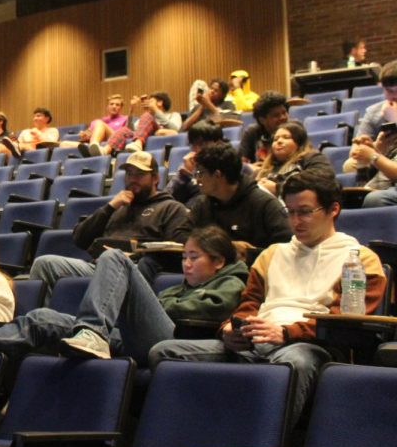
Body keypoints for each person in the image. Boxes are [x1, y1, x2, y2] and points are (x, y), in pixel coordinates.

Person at [149, 171, 386, 419]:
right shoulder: (272, 254)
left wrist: (286, 333)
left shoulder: (358, 259)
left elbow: (346, 320)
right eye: (290, 212)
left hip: (308, 344)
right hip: (256, 341)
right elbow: (249, 304)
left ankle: (262, 446)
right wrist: (231, 329)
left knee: (294, 362)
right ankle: (191, 432)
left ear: (333, 209)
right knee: (164, 352)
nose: (296, 221)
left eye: (305, 211)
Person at [0, 226, 248, 378]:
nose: (186, 264)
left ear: (217, 261)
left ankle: (93, 334)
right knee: (41, 317)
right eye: (184, 257)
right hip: (129, 336)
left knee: (114, 259)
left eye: (195, 257)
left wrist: (159, 306)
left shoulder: (231, 283)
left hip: (174, 342)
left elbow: (205, 312)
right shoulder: (179, 288)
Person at [29, 151, 191, 291]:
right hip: (97, 266)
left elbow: (177, 252)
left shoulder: (171, 208)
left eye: (140, 174)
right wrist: (110, 207)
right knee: (44, 264)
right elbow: (80, 239)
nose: (133, 179)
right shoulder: (117, 207)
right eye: (129, 174)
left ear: (155, 178)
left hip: (134, 269)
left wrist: (137, 255)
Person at [188, 143, 292, 252]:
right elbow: (183, 235)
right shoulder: (202, 204)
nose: (197, 180)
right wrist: (225, 246)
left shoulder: (264, 204)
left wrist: (252, 254)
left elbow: (286, 246)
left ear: (218, 175)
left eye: (200, 173)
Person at [166, 121, 256, 206]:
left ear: (218, 143)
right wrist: (183, 176)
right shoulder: (188, 169)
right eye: (193, 145)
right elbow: (165, 199)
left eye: (201, 144)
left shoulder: (238, 167)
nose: (196, 150)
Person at [80, 92, 179, 156]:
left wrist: (155, 111)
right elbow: (130, 129)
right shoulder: (146, 115)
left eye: (151, 101)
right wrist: (133, 109)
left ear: (160, 103)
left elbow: (176, 129)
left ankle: (138, 143)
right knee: (123, 130)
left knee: (147, 116)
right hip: (143, 135)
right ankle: (105, 150)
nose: (148, 103)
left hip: (150, 138)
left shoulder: (174, 115)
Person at [342, 59, 397, 174]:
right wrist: (375, 147)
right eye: (389, 91)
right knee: (350, 165)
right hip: (382, 163)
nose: (394, 96)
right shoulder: (374, 112)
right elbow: (355, 153)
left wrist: (395, 119)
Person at [255, 122, 332, 196]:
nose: (279, 141)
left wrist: (278, 188)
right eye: (275, 139)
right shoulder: (264, 170)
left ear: (299, 143)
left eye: (286, 137)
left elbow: (322, 181)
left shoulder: (312, 158)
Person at [348, 124, 397, 207]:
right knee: (346, 198)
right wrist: (376, 150)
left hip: (386, 192)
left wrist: (373, 156)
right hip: (380, 187)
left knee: (374, 199)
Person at [238, 91, 289, 165]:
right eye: (276, 115)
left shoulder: (295, 130)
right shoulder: (252, 132)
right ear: (262, 120)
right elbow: (242, 164)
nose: (283, 117)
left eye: (284, 113)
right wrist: (251, 167)